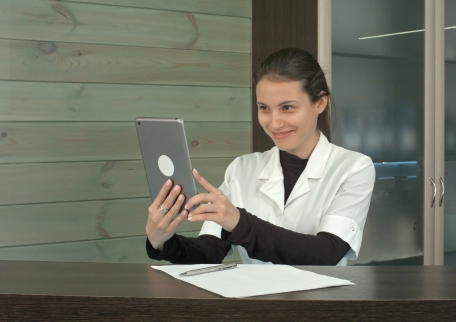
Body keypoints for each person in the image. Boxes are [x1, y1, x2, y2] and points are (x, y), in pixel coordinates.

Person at [145, 48, 375, 266]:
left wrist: (240, 223)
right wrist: (162, 241)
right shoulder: (243, 169)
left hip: (319, 305)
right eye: (264, 108)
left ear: (320, 102)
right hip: (256, 306)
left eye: (287, 107)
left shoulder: (353, 168)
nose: (274, 122)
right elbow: (210, 250)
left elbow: (327, 252)